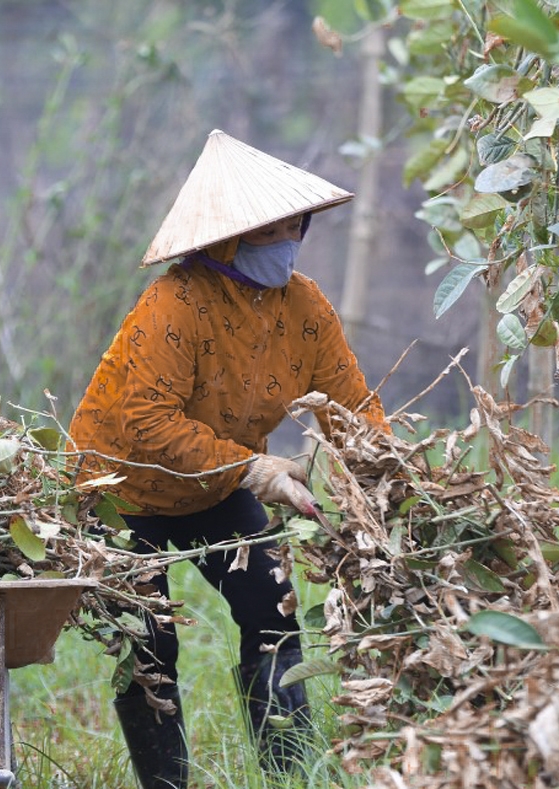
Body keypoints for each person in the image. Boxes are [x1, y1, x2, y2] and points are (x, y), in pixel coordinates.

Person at [68, 129, 388, 789]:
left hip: (213, 487)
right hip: (120, 488)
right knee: (149, 640)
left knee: (273, 605)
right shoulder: (174, 303)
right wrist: (254, 468)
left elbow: (352, 411)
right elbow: (148, 421)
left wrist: (395, 484)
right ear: (227, 237)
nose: (289, 238)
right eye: (271, 229)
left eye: (295, 225)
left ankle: (290, 773)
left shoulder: (306, 308)